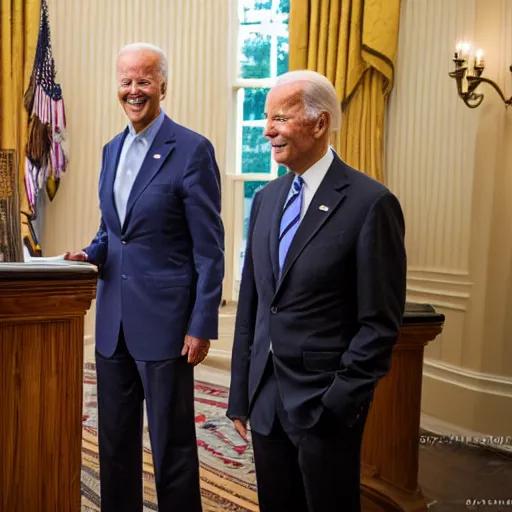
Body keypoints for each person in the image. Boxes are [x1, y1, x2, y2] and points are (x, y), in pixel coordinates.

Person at [227, 70, 406, 512]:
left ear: (319, 123)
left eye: (280, 119)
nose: (266, 130)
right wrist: (241, 395)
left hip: (324, 407)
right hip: (266, 401)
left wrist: (338, 402)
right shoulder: (266, 198)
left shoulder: (371, 203)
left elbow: (380, 323)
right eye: (267, 118)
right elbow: (252, 304)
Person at [65, 42, 224, 512]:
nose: (134, 90)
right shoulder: (110, 150)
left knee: (172, 445)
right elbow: (113, 229)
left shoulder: (192, 150)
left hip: (167, 324)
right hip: (113, 321)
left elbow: (209, 248)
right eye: (126, 81)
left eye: (144, 81)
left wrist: (201, 323)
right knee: (114, 441)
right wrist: (90, 253)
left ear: (163, 86)